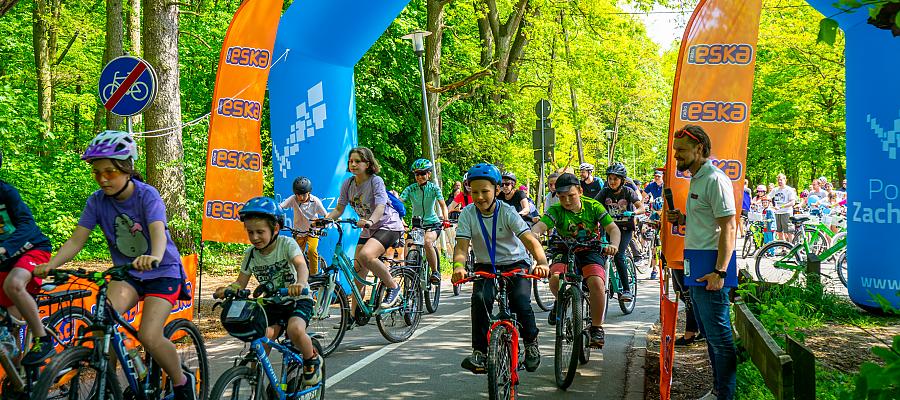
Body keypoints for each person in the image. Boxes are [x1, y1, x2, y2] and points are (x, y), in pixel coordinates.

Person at [34, 130, 197, 400]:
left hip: (162, 271)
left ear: (127, 168)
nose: (102, 179)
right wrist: (51, 264)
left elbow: (158, 232)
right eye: (97, 172)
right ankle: (106, 387)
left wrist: (154, 256)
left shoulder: (147, 195)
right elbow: (76, 241)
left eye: (109, 171)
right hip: (129, 274)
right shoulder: (96, 201)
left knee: (149, 335)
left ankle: (182, 381)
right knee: (102, 325)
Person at [451, 163, 550, 374]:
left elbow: (530, 241)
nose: (479, 197)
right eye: (474, 191)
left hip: (515, 262)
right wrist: (458, 267)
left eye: (485, 191)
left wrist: (541, 262)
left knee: (520, 301)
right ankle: (480, 352)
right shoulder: (468, 214)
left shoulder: (507, 212)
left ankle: (531, 345)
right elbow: (461, 247)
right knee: (480, 299)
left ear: (497, 190)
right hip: (485, 264)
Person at [214, 197, 321, 386]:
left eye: (260, 232)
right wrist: (229, 289)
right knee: (263, 336)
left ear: (276, 229)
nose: (255, 237)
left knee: (295, 330)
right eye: (250, 232)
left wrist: (300, 282)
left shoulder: (286, 244)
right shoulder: (250, 254)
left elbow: (301, 265)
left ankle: (311, 358)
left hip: (297, 299)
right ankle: (254, 377)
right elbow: (241, 282)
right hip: (272, 303)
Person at [666, 124, 738, 400]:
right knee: (710, 335)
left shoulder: (715, 179)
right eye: (675, 152)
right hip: (696, 262)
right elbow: (708, 222)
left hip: (712, 266)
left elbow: (729, 227)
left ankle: (725, 395)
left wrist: (720, 271)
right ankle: (719, 390)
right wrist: (683, 220)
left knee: (719, 338)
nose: (677, 157)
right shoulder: (697, 178)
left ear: (699, 149)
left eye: (681, 151)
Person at [531, 173, 620, 347]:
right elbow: (538, 227)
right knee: (555, 278)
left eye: (570, 196)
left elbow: (613, 228)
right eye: (562, 197)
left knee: (596, 283)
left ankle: (596, 328)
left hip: (590, 249)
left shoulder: (593, 206)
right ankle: (561, 300)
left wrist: (614, 245)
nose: (566, 201)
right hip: (564, 248)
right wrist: (534, 236)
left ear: (580, 191)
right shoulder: (556, 211)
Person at [323, 147, 404, 319]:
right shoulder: (348, 184)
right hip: (369, 228)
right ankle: (353, 316)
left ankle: (393, 287)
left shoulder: (376, 181)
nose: (353, 164)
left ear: (367, 164)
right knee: (358, 271)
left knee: (367, 255)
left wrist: (370, 221)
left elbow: (381, 206)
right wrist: (324, 220)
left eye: (357, 161)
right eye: (351, 161)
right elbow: (339, 209)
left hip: (388, 225)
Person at [0, 150, 56, 365]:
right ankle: (18, 385)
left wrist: (5, 248)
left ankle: (43, 339)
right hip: (5, 261)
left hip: (32, 248)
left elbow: (27, 225)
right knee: (10, 327)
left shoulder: (6, 192)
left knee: (14, 285)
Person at [594, 162, 643, 302]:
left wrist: (633, 212)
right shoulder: (604, 192)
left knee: (618, 255)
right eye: (610, 178)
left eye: (615, 179)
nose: (612, 181)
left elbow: (641, 207)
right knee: (599, 253)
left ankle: (626, 290)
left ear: (622, 180)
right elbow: (594, 205)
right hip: (609, 227)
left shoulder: (628, 191)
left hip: (625, 228)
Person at [400, 158, 450, 284]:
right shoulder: (410, 189)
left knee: (427, 242)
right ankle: (408, 274)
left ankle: (435, 272)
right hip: (417, 225)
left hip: (433, 223)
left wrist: (446, 219)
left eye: (423, 173)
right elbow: (399, 203)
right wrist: (399, 219)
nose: (420, 177)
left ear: (429, 174)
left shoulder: (434, 188)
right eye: (417, 174)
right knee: (408, 244)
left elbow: (443, 205)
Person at [281, 176, 326, 275]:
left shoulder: (315, 201)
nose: (300, 197)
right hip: (299, 232)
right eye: (298, 195)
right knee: (296, 254)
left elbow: (325, 215)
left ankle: (314, 275)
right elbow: (281, 207)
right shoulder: (293, 199)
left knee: (311, 250)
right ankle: (297, 275)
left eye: (303, 195)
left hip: (313, 231)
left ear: (309, 192)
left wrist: (322, 224)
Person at [769, 174, 797, 242]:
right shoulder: (775, 190)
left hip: (786, 212)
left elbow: (792, 203)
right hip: (777, 213)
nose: (779, 181)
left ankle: (792, 247)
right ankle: (783, 248)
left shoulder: (789, 190)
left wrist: (782, 206)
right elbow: (768, 198)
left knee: (789, 232)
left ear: (785, 180)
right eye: (778, 180)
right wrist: (771, 206)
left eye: (781, 180)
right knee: (779, 232)